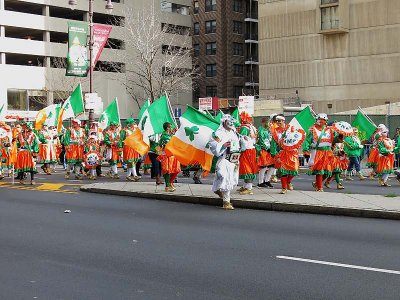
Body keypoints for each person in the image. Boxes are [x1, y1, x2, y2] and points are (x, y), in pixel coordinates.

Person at [209, 114, 241, 210]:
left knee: (230, 178)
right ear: (224, 122)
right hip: (223, 159)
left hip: (233, 159)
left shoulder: (234, 132)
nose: (231, 124)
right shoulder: (218, 133)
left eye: (232, 122)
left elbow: (238, 143)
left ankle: (219, 191)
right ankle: (226, 201)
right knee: (223, 176)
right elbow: (213, 146)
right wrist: (223, 146)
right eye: (229, 122)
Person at [270, 114, 305, 194]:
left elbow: (296, 138)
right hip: (282, 153)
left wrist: (297, 145)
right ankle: (284, 188)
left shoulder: (290, 128)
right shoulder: (275, 131)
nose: (278, 122)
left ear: (283, 121)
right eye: (276, 121)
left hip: (292, 153)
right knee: (283, 171)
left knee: (294, 170)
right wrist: (275, 155)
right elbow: (273, 145)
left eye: (279, 121)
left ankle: (288, 182)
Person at [303, 113, 335, 192]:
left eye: (323, 120)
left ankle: (317, 184)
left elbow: (334, 140)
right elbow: (307, 141)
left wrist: (340, 136)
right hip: (318, 152)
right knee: (319, 170)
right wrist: (306, 151)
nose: (321, 121)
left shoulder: (329, 130)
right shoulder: (312, 130)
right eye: (319, 120)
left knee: (329, 169)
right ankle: (319, 187)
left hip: (328, 152)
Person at [237, 111, 258, 195]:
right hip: (251, 149)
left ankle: (249, 187)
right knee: (249, 167)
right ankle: (246, 185)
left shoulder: (245, 127)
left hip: (246, 150)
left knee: (247, 168)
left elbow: (241, 138)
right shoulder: (251, 127)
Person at [158, 122, 181, 192]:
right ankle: (167, 186)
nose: (171, 128)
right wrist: (160, 155)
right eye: (170, 127)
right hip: (167, 156)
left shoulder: (170, 135)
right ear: (167, 128)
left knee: (176, 170)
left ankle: (170, 182)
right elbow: (159, 145)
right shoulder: (164, 136)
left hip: (173, 155)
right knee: (167, 170)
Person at [256, 116, 274, 188]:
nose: (268, 124)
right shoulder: (261, 130)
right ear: (263, 123)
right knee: (263, 167)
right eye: (267, 122)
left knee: (272, 166)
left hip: (270, 150)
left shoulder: (269, 130)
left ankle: (267, 180)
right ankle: (260, 182)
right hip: (264, 150)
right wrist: (267, 148)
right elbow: (262, 141)